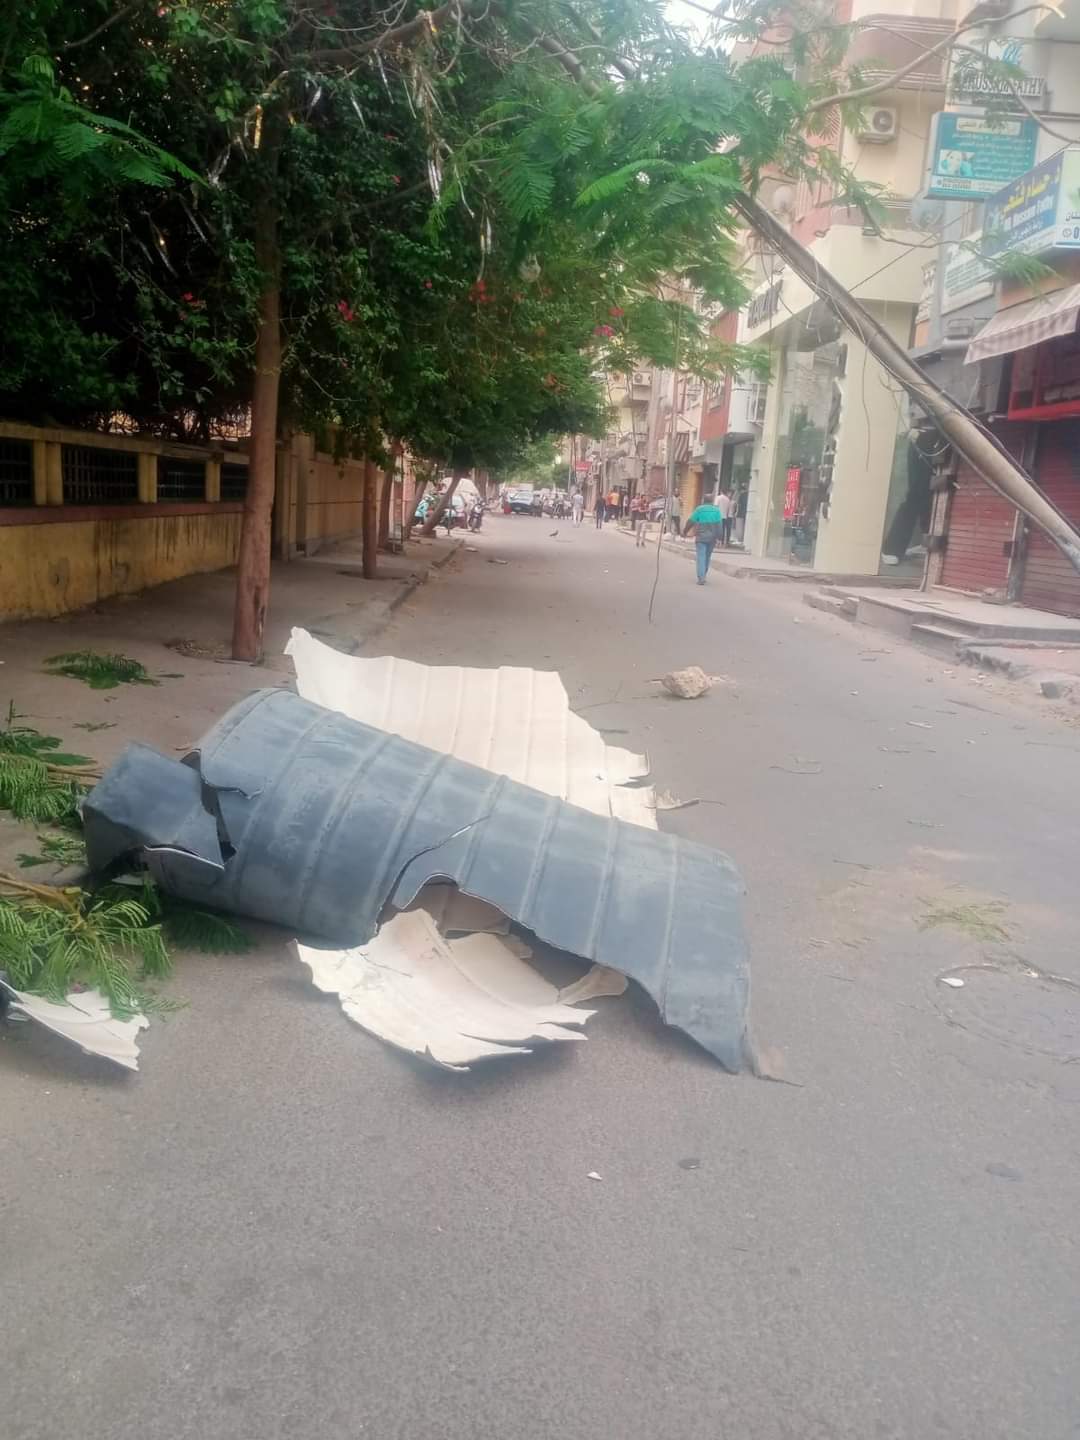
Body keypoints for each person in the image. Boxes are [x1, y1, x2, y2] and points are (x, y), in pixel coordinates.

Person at [685, 498, 725, 585]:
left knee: (701, 557)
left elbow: (690, 521)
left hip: (701, 538)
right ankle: (704, 574)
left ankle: (701, 577)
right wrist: (720, 538)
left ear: (703, 501)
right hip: (712, 539)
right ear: (712, 502)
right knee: (707, 557)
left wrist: (685, 531)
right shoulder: (716, 511)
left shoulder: (699, 509)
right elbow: (720, 526)